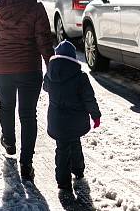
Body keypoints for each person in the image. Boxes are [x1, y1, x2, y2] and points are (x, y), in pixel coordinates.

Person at [0, 0, 55, 182]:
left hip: (2, 68)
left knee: (6, 106)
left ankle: (9, 141)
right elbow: (44, 42)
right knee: (28, 115)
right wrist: (53, 67)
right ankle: (26, 164)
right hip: (29, 68)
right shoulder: (36, 7)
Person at [43, 40, 101, 192]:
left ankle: (63, 182)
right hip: (76, 121)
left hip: (57, 121)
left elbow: (45, 87)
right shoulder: (80, 77)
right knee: (75, 143)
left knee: (61, 149)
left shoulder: (50, 73)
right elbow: (89, 98)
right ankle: (79, 170)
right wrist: (95, 115)